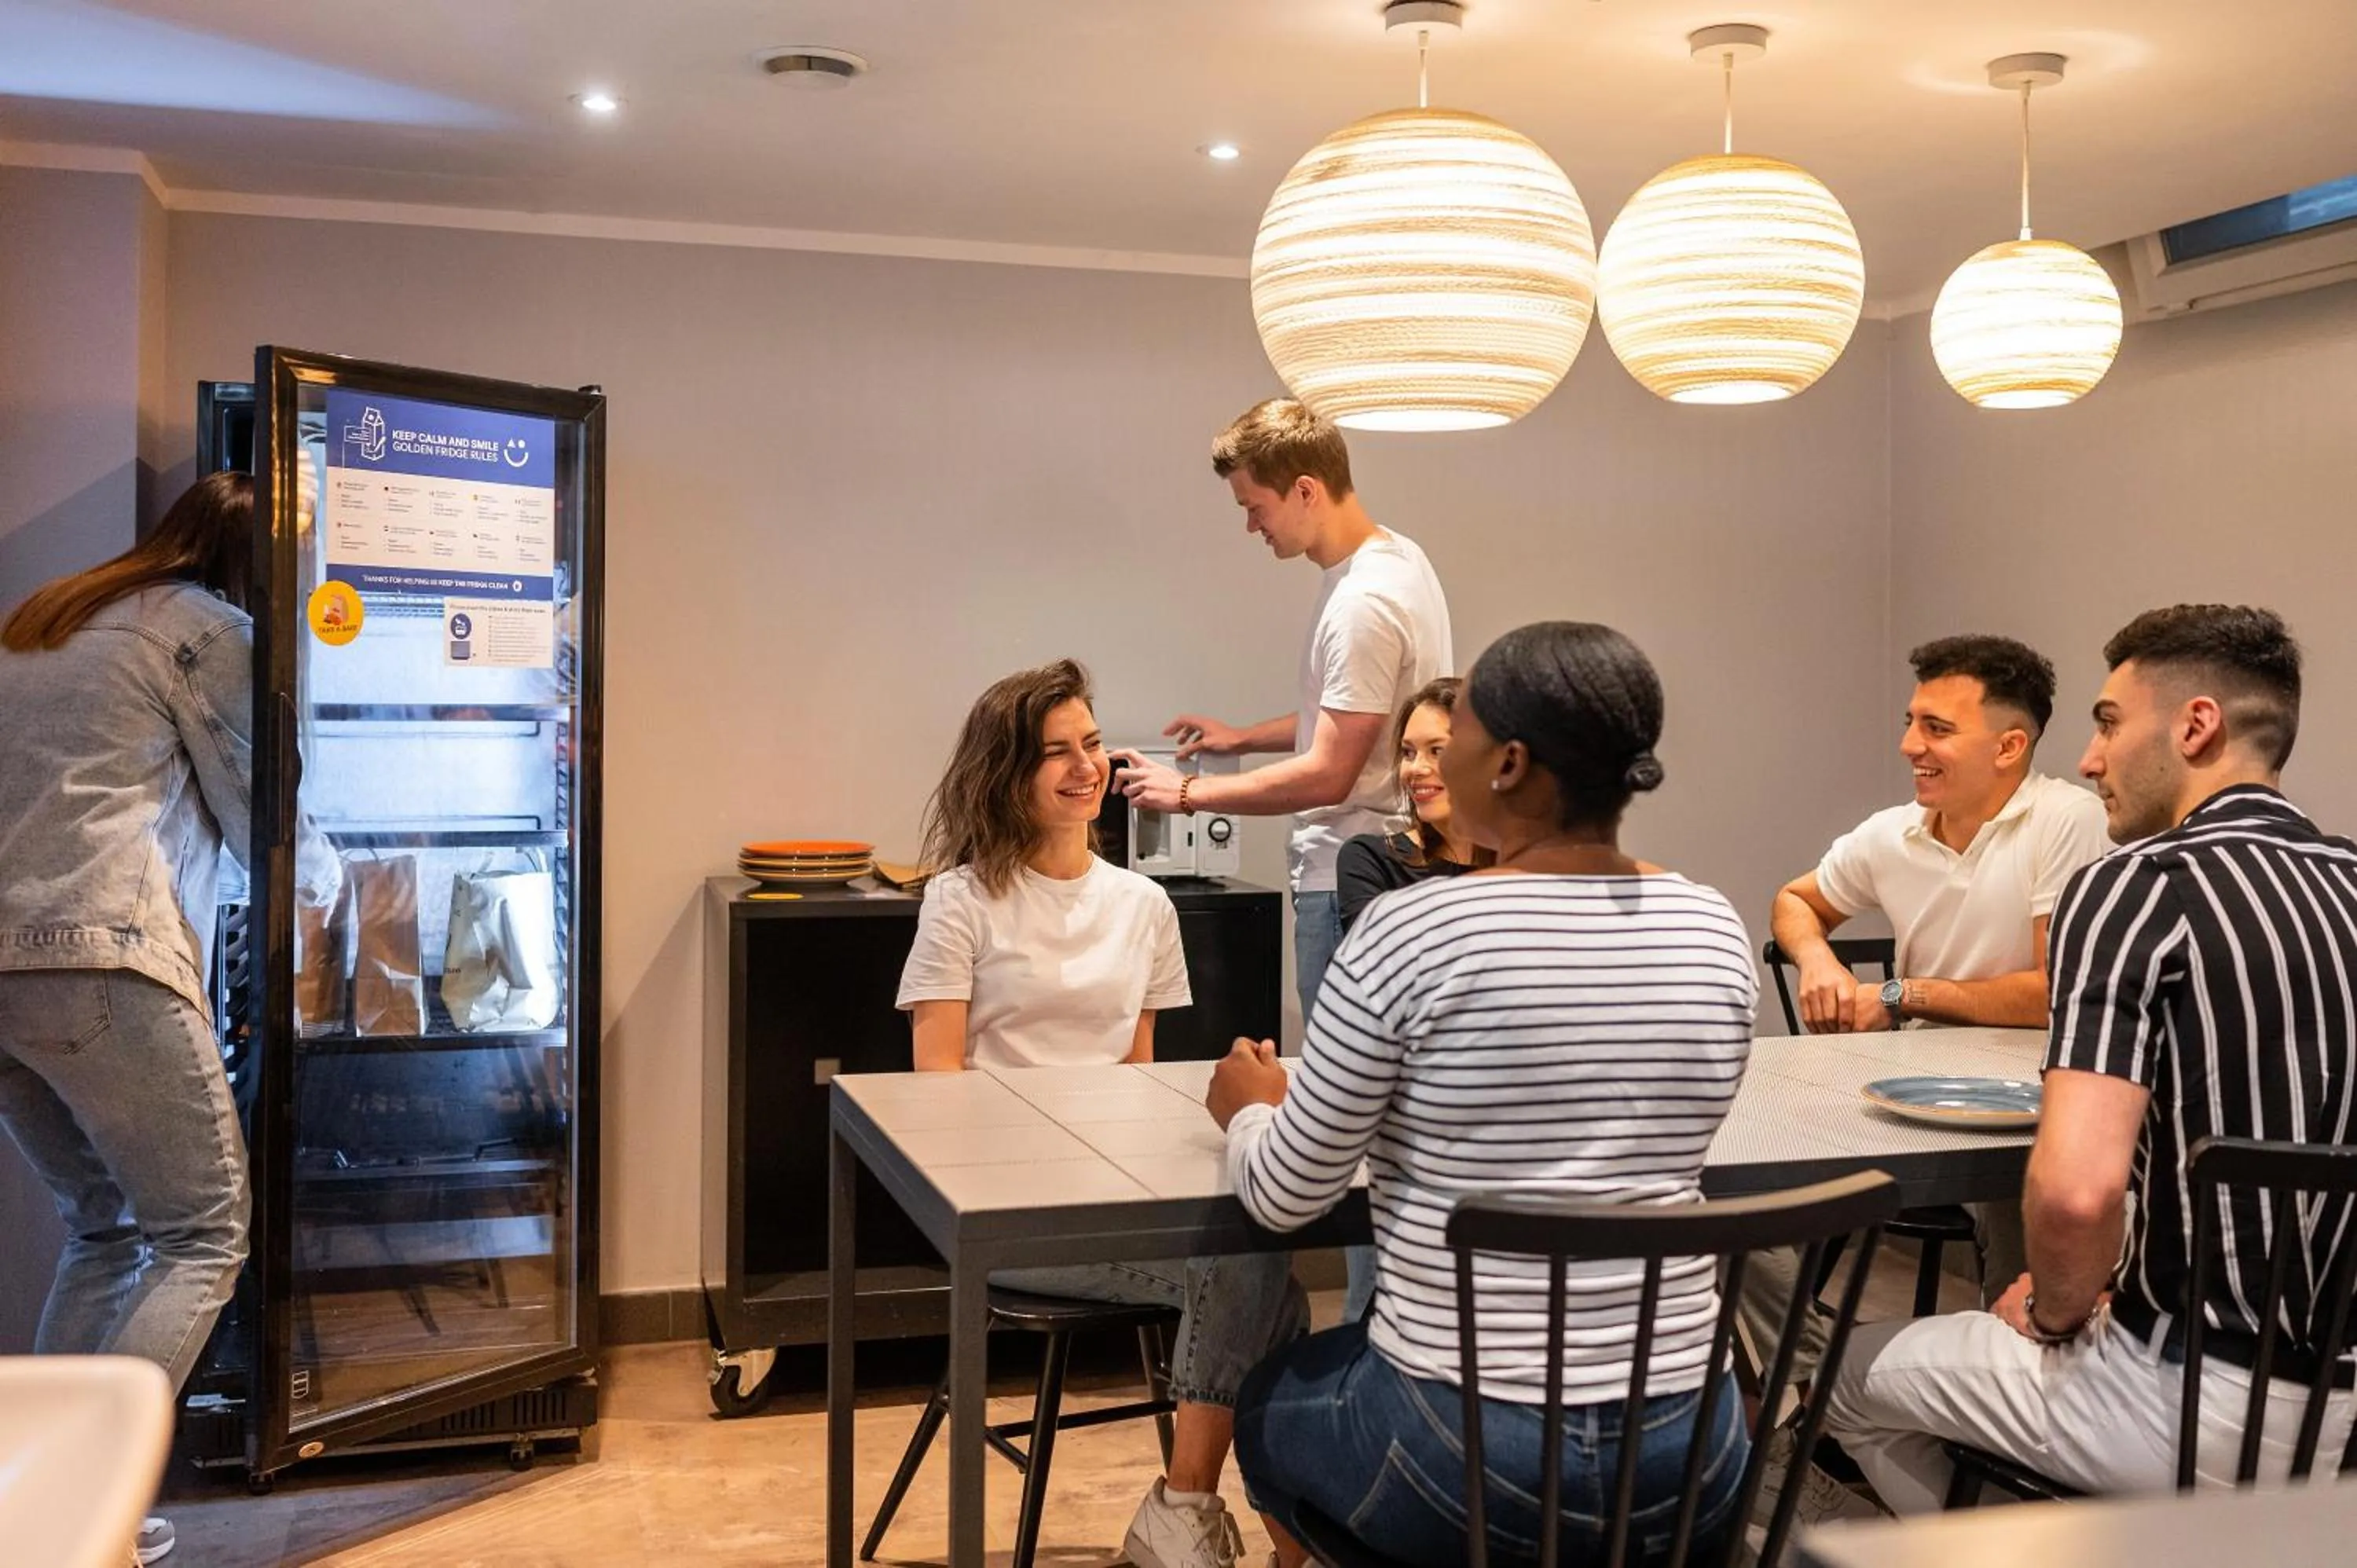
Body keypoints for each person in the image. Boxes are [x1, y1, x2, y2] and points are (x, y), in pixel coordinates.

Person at [1206, 622, 1759, 1568]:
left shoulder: (1411, 930)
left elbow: (1286, 1194)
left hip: (1464, 1454)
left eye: (1452, 730)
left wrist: (1250, 1107)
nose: (1430, 754)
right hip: (1694, 1456)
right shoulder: (1713, 926)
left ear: (1505, 763)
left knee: (1268, 1403)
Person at [1825, 605, 2357, 1510]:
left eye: (2109, 723)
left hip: (2191, 1403)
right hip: (2342, 1414)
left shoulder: (2137, 887)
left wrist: (2054, 1310)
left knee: (1848, 1375)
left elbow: (2076, 1192)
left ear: (2195, 726)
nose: (2088, 758)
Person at [897, 658, 1305, 1568]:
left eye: (1091, 744)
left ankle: (1192, 1510)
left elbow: (1137, 1080)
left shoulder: (1146, 904)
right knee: (1259, 1284)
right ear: (1007, 773)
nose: (1085, 766)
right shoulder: (959, 901)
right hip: (1009, 1214)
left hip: (1120, 1196)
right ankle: (1260, 1528)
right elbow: (936, 1093)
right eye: (1055, 753)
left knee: (1256, 1259)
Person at [1118, 397, 1451, 1323]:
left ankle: (1371, 1342)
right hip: (1391, 875)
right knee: (1387, 1124)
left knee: (1360, 1134)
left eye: (1257, 506)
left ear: (1307, 489)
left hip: (1349, 884)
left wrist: (1186, 792)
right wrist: (1241, 738)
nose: (1251, 524)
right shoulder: (1399, 562)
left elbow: (1334, 768)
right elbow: (1345, 722)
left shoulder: (1362, 603)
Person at [0, 471, 263, 1566]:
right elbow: (262, 809)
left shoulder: (50, 614)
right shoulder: (210, 629)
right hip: (101, 955)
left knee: (107, 1231)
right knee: (205, 1233)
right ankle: (89, 1512)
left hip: (8, 966)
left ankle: (29, 1515)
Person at [1743, 636, 2112, 1416]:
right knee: (1737, 1173)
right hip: (1907, 1094)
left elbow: (2058, 991)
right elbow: (1795, 900)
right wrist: (1818, 963)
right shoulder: (1895, 830)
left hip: (2035, 1095)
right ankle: (1809, 1376)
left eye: (1937, 728)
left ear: (2009, 746)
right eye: (1913, 722)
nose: (1911, 743)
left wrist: (1907, 992)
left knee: (2031, 1206)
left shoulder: (2066, 819)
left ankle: (2025, 1395)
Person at [1333, 676, 1494, 935]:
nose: (1415, 769)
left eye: (1437, 751)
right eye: (1408, 753)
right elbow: (1379, 961)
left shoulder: (1529, 865)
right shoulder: (1371, 860)